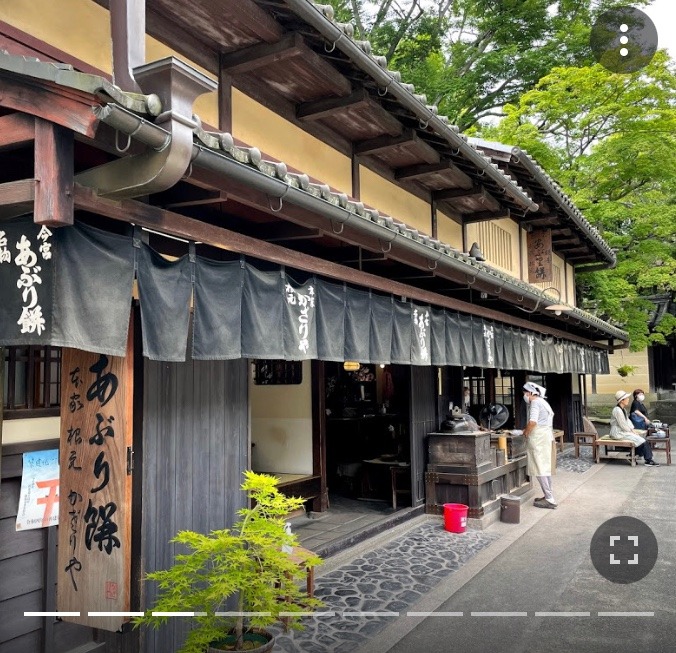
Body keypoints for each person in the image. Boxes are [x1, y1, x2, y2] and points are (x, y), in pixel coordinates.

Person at [522, 382, 557, 509]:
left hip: (539, 438)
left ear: (531, 393)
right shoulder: (543, 402)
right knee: (545, 467)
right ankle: (548, 495)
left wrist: (526, 432)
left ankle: (549, 498)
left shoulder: (535, 402)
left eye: (526, 393)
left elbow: (532, 422)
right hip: (546, 436)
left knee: (539, 467)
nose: (525, 396)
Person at [611, 390, 658, 466]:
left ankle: (632, 455)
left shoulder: (623, 409)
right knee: (642, 440)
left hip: (622, 431)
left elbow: (628, 421)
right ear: (622, 400)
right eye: (626, 398)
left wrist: (632, 429)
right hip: (618, 432)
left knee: (640, 439)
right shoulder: (617, 410)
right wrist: (631, 431)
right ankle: (648, 460)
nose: (628, 399)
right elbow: (623, 424)